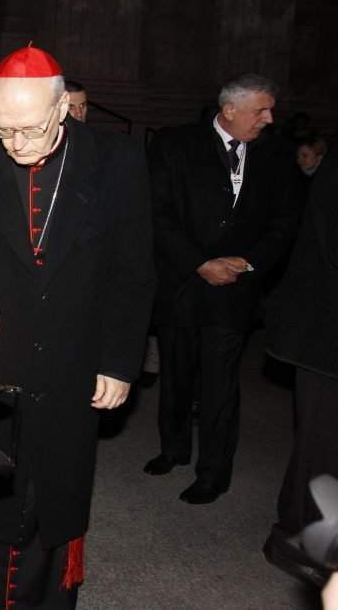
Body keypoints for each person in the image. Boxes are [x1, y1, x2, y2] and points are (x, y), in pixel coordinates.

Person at [0, 45, 154, 609]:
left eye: (30, 130)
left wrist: (121, 360)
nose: (17, 145)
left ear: (63, 111)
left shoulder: (117, 162)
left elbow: (134, 270)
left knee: (56, 492)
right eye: (4, 131)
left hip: (75, 360)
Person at [144, 74, 300, 504]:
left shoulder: (276, 154)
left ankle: (213, 472)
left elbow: (285, 222)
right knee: (176, 373)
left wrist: (248, 263)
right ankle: (173, 448)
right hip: (183, 281)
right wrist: (200, 262)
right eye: (261, 110)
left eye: (270, 110)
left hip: (236, 289)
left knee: (220, 383)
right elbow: (157, 214)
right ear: (229, 110)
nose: (269, 119)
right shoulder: (175, 144)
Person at [261, 152, 338, 587]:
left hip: (325, 338)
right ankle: (302, 542)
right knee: (322, 449)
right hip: (326, 340)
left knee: (321, 447)